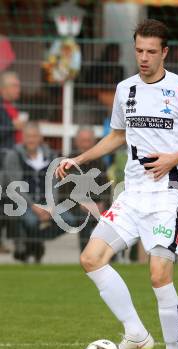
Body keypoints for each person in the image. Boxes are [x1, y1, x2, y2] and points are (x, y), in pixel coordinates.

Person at [56, 19, 178, 349]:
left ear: (164, 52)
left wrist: (173, 159)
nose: (143, 58)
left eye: (151, 51)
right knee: (91, 258)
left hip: (169, 196)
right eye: (139, 51)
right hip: (132, 195)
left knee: (159, 274)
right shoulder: (124, 89)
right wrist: (79, 159)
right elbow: (117, 135)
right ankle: (135, 331)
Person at [3, 121, 74, 263]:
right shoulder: (14, 155)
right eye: (28, 136)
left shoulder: (51, 156)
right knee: (31, 221)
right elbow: (15, 185)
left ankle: (33, 243)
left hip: (47, 203)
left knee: (69, 220)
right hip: (24, 203)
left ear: (40, 138)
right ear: (23, 137)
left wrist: (51, 207)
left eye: (35, 136)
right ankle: (34, 247)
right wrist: (34, 206)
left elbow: (54, 184)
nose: (31, 140)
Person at [65, 127, 110, 252]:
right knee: (85, 217)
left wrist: (102, 203)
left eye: (89, 141)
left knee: (111, 219)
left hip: (97, 205)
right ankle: (86, 254)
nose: (86, 144)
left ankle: (109, 256)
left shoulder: (100, 162)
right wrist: (80, 204)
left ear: (94, 143)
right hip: (75, 207)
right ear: (77, 142)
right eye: (83, 141)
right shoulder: (68, 163)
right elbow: (63, 192)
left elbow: (106, 188)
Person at [0, 71, 25, 253]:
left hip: (11, 164)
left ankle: (13, 241)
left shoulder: (9, 106)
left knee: (9, 201)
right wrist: (12, 126)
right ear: (3, 88)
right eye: (14, 85)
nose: (19, 89)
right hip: (3, 165)